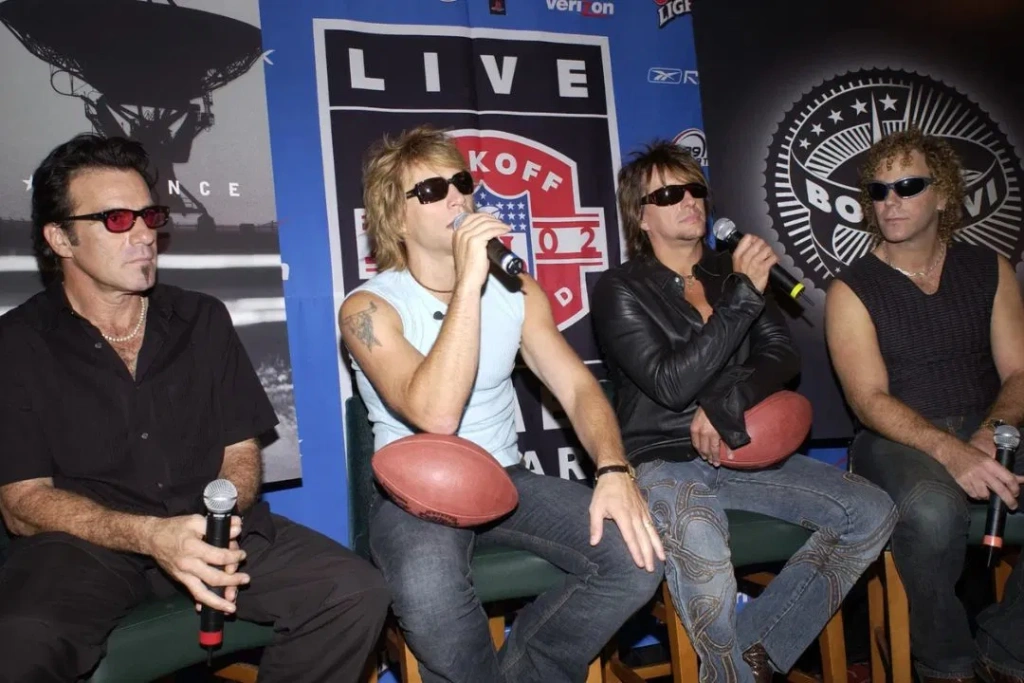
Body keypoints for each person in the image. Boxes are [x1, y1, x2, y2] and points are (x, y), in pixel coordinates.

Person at [0, 134, 390, 683]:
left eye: (150, 216)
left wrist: (218, 518)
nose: (144, 234)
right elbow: (22, 504)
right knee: (22, 641)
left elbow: (240, 451)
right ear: (61, 238)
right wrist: (150, 535)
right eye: (117, 220)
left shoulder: (201, 319)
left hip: (213, 529)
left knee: (352, 591)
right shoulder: (17, 342)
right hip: (88, 549)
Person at [339, 125, 665, 683]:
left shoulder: (519, 292)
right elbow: (436, 415)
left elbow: (578, 387)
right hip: (415, 493)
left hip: (505, 476)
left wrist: (614, 468)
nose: (456, 199)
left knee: (636, 558)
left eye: (461, 183)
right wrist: (469, 283)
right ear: (397, 220)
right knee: (429, 593)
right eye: (432, 190)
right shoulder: (367, 309)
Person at [591, 140, 896, 683]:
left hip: (742, 445)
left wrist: (724, 403)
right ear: (641, 216)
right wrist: (741, 299)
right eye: (669, 194)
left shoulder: (730, 271)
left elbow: (781, 353)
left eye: (694, 189)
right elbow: (670, 383)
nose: (690, 200)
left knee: (871, 511)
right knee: (702, 540)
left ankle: (755, 652)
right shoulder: (620, 288)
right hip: (665, 457)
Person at [826, 127, 1024, 683]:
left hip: (989, 425)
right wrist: (951, 451)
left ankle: (1006, 653)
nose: (891, 201)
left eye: (908, 186)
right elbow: (868, 399)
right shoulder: (852, 289)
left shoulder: (990, 269)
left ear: (943, 194)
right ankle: (947, 667)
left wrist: (989, 433)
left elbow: (1018, 372)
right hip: (896, 438)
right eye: (878, 190)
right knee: (933, 513)